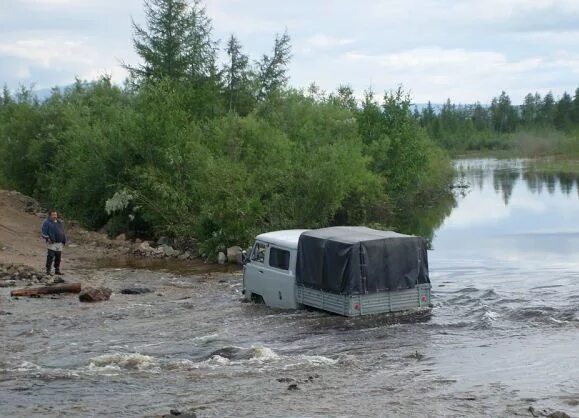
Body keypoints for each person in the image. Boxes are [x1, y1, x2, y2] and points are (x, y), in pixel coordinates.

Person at [41, 209, 66, 275]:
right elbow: (43, 232)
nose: (55, 216)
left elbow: (63, 232)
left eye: (55, 214)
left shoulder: (59, 222)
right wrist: (47, 238)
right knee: (50, 256)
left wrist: (64, 240)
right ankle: (48, 271)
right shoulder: (47, 222)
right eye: (53, 215)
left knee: (58, 257)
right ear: (50, 215)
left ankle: (57, 270)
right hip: (51, 242)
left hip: (59, 242)